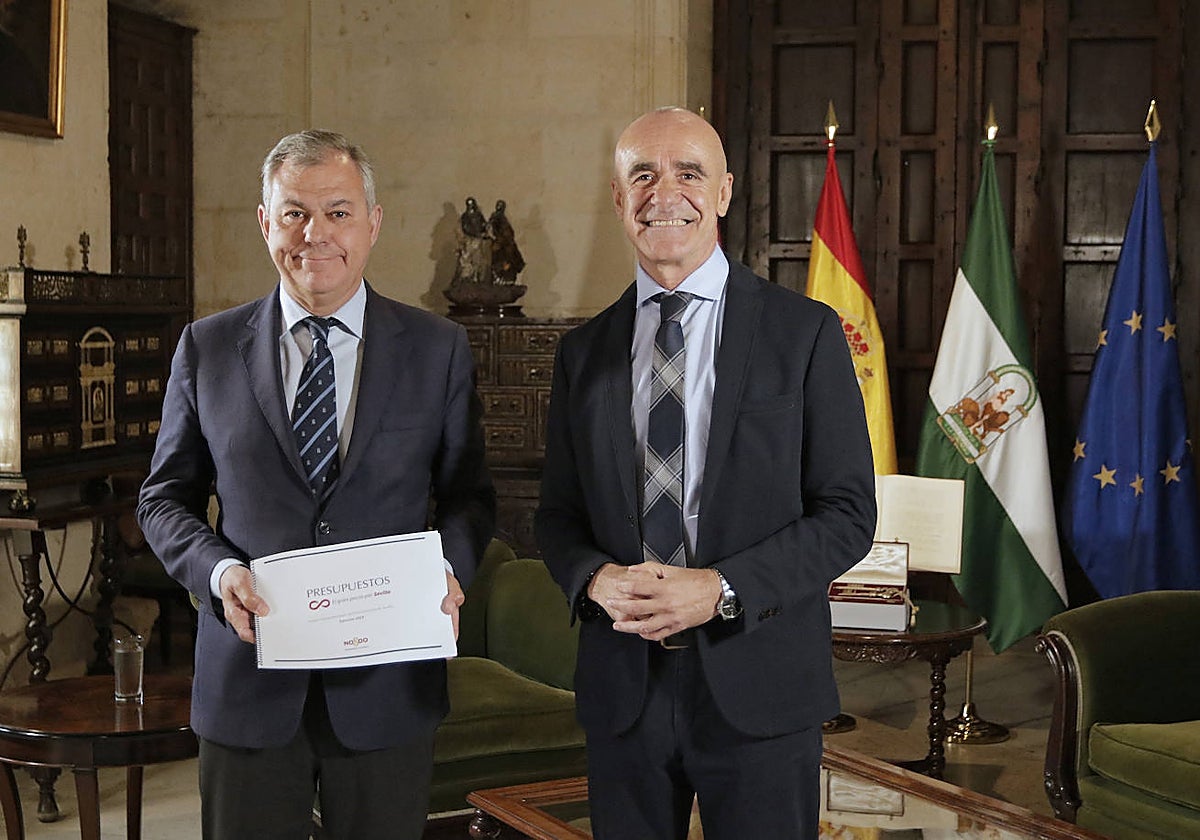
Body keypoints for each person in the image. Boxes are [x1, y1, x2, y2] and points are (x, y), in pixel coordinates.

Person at [137, 130, 495, 840]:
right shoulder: (206, 348)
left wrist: (447, 568)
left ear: (373, 222)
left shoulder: (437, 349)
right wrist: (218, 572)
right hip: (248, 682)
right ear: (266, 222)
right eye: (294, 212)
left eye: (337, 212)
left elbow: (469, 495)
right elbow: (162, 499)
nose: (315, 234)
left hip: (387, 687)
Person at [535, 107, 876, 839]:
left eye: (689, 173)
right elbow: (556, 516)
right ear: (619, 198)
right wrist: (594, 579)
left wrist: (721, 589)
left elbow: (847, 515)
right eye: (643, 175)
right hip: (624, 692)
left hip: (761, 686)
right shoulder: (584, 352)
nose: (666, 192)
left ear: (723, 192)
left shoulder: (805, 334)